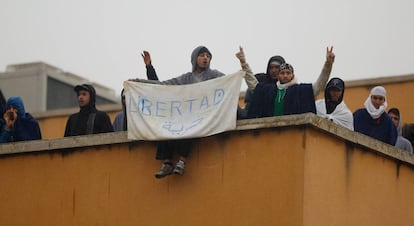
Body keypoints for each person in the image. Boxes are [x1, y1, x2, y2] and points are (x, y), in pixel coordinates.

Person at [132, 46, 252, 179]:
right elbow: (163, 87)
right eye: (202, 55)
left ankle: (182, 160)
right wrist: (143, 76)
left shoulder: (215, 76)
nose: (205, 58)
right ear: (195, 59)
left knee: (190, 125)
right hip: (186, 116)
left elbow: (228, 85)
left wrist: (240, 72)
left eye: (208, 55)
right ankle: (167, 162)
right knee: (166, 124)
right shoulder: (186, 78)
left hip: (204, 118)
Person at [241, 46, 335, 118]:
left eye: (288, 73)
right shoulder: (269, 90)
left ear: (292, 75)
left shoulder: (301, 90)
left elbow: (320, 85)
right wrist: (243, 63)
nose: (285, 75)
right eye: (282, 73)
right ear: (278, 76)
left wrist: (328, 64)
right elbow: (252, 84)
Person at [238, 55, 285, 119]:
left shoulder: (290, 88)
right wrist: (243, 64)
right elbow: (253, 82)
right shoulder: (262, 82)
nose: (273, 70)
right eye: (271, 68)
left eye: (277, 67)